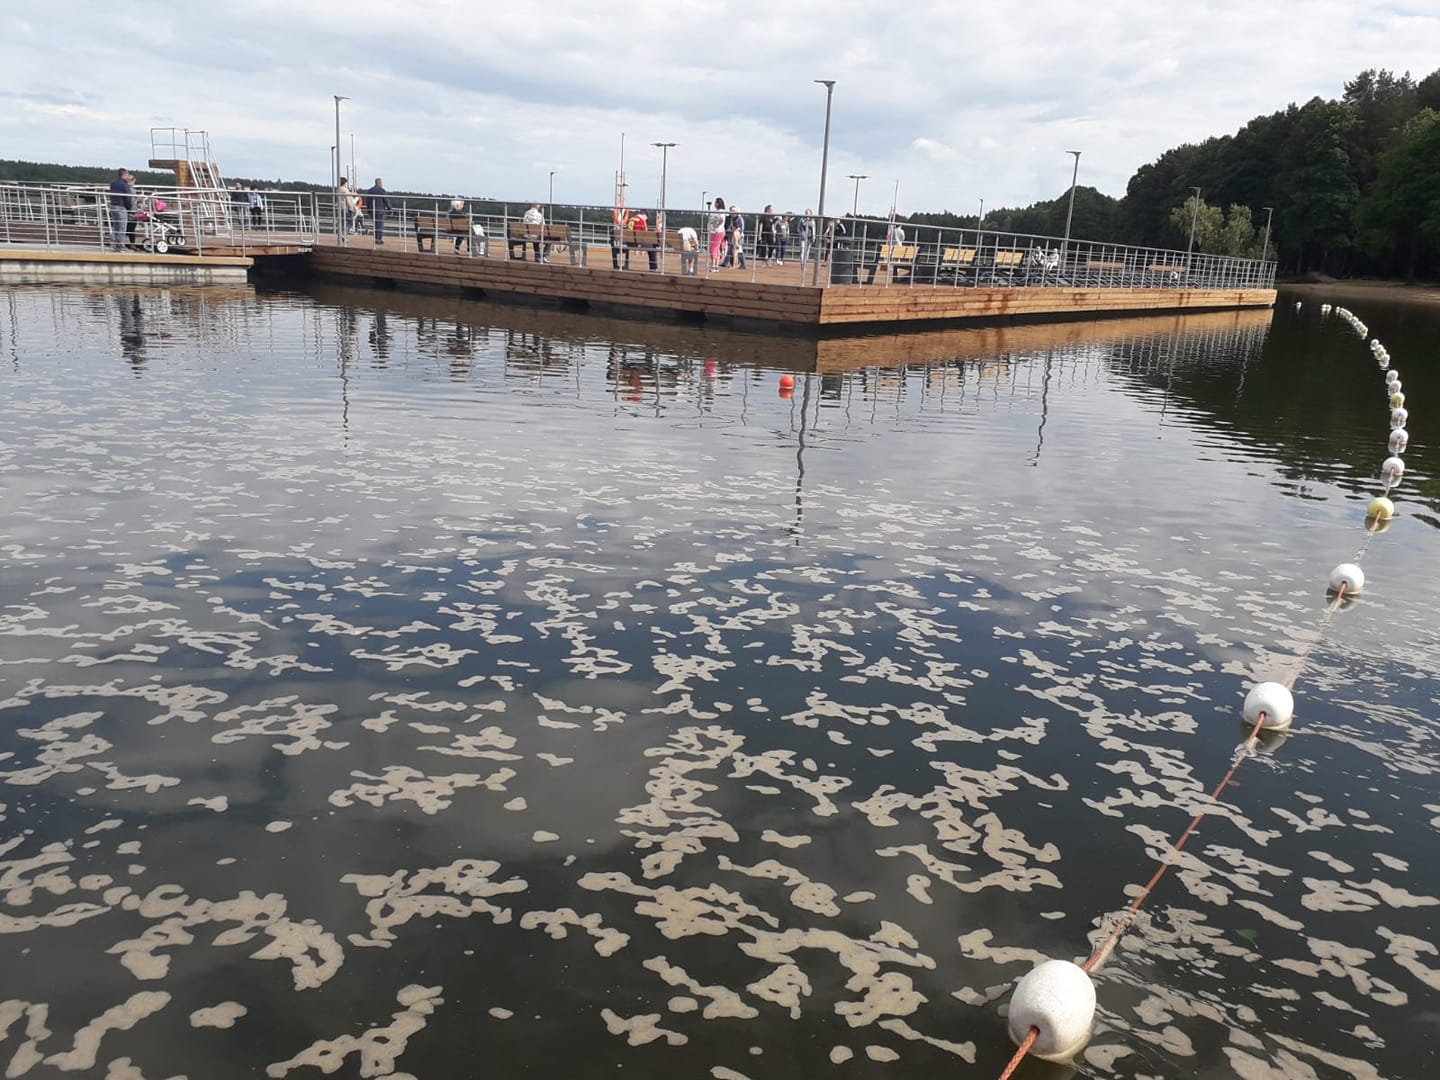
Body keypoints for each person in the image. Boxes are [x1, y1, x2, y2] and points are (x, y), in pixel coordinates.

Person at [107, 168, 134, 251]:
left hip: (113, 206)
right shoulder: (125, 185)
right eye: (127, 174)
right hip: (121, 207)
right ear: (124, 174)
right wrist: (129, 208)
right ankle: (120, 246)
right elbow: (128, 198)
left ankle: (113, 245)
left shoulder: (113, 183)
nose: (128, 176)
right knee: (122, 227)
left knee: (116, 227)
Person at [365, 178, 389, 244]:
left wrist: (368, 210)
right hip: (380, 210)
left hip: (372, 210)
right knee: (379, 225)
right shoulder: (382, 190)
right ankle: (379, 239)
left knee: (375, 224)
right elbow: (386, 200)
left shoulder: (370, 190)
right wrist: (389, 208)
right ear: (379, 183)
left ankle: (376, 238)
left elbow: (367, 201)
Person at [707, 197, 727, 271]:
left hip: (716, 232)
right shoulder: (718, 211)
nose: (714, 204)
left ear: (718, 203)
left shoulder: (720, 211)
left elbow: (721, 219)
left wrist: (716, 226)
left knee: (713, 249)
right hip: (719, 232)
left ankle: (713, 266)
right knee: (717, 249)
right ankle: (716, 266)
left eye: (715, 203)